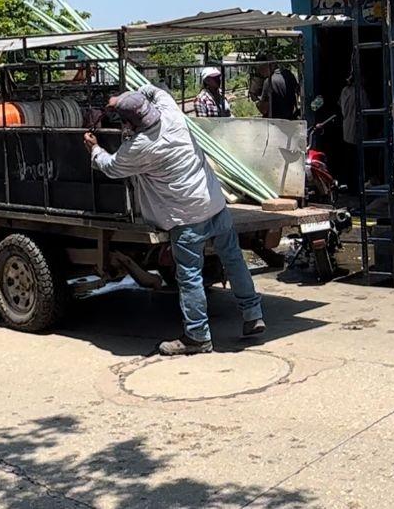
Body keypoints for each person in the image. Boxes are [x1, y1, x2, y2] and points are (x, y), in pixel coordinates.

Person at [84, 85, 265, 356]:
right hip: (215, 204)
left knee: (190, 276)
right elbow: (155, 90)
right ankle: (253, 315)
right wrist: (121, 99)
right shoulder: (171, 113)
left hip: (186, 217)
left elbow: (112, 167)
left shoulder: (141, 146)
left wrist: (95, 149)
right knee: (234, 260)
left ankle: (197, 336)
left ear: (128, 123)